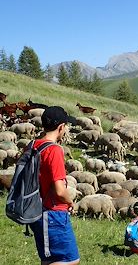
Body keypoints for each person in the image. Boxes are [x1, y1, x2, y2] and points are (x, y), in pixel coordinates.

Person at [29, 106, 80, 265]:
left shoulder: (32, 145)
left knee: (50, 258)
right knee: (70, 260)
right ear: (61, 127)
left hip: (36, 210)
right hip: (52, 214)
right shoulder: (54, 150)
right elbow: (59, 190)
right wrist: (70, 201)